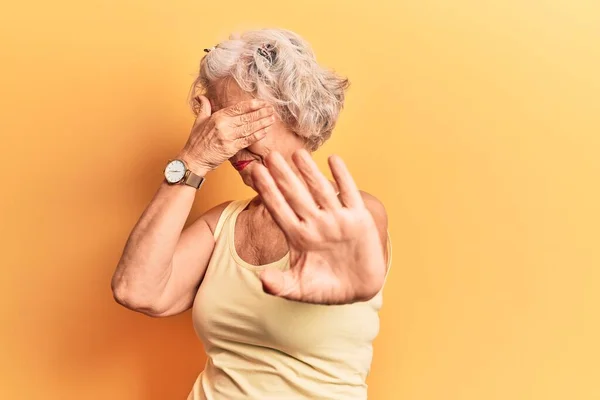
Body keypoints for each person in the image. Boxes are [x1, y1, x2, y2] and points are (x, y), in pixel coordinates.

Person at [111, 27, 392, 400]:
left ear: (297, 113)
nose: (228, 139)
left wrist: (354, 279)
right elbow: (137, 290)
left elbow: (361, 248)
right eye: (218, 123)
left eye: (243, 118)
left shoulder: (354, 212)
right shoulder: (222, 223)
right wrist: (191, 160)